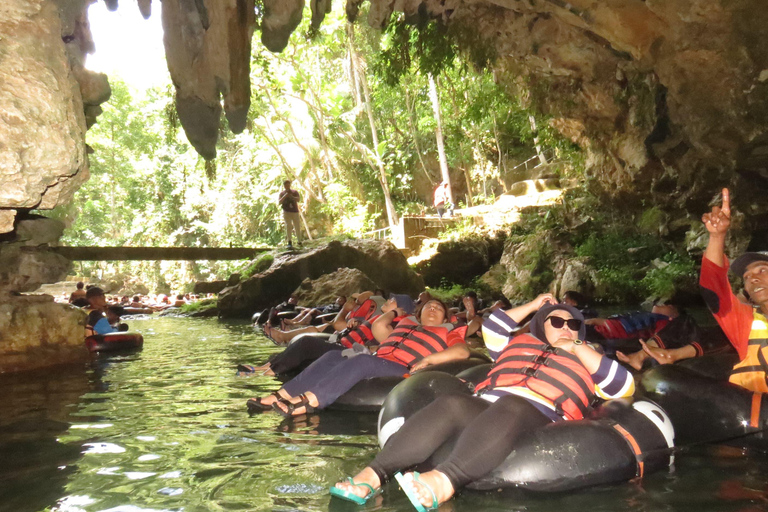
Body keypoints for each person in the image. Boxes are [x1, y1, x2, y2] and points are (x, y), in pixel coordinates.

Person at [331, 294, 634, 508]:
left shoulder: (589, 353)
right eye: (557, 321)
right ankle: (371, 476)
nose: (566, 328)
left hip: (540, 412)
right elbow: (493, 326)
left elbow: (623, 385)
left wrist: (577, 345)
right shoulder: (518, 342)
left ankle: (445, 481)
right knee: (452, 402)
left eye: (573, 324)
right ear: (542, 324)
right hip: (488, 400)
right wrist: (535, 305)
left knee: (511, 406)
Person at [248, 298, 469, 416]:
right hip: (380, 361)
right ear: (418, 313)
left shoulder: (449, 332)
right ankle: (281, 395)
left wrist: (430, 360)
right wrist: (396, 312)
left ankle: (308, 403)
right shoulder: (406, 325)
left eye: (438, 308)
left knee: (362, 361)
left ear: (445, 317)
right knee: (332, 357)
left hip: (401, 369)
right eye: (428, 306)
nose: (432, 308)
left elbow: (462, 352)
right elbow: (379, 325)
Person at [242, 294, 415, 378]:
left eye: (393, 300)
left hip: (349, 351)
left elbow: (387, 343)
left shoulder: (395, 323)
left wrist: (393, 314)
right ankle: (264, 367)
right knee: (306, 343)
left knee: (307, 343)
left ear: (400, 308)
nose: (389, 299)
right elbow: (342, 326)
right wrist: (354, 325)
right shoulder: (379, 318)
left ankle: (266, 373)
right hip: (341, 343)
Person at [700, 188, 768, 392]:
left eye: (763, 270)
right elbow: (712, 288)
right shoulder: (745, 322)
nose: (753, 278)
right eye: (747, 277)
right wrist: (717, 236)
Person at [278, 179, 302, 248]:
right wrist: (285, 196)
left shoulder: (294, 192)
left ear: (290, 185)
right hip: (286, 211)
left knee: (297, 226)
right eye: (286, 185)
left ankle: (299, 241)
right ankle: (289, 242)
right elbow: (279, 202)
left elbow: (298, 199)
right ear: (284, 186)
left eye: (288, 185)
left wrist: (292, 197)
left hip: (295, 211)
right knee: (288, 226)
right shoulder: (282, 193)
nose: (287, 186)